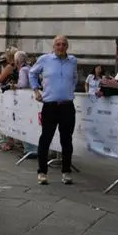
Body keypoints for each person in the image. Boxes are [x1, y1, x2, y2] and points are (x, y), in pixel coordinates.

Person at [28, 35, 78, 186]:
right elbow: (32, 73)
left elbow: (75, 78)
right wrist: (36, 90)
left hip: (67, 105)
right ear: (53, 46)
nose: (61, 47)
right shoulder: (45, 59)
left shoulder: (73, 61)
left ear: (67, 46)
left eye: (63, 44)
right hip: (50, 105)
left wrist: (69, 90)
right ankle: (42, 172)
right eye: (58, 44)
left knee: (67, 140)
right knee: (46, 138)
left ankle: (66, 172)